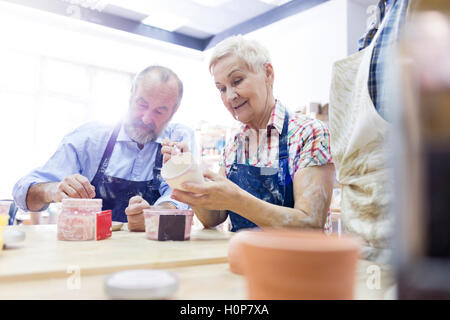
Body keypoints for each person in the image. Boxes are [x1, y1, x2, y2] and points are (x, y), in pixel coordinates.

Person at [162, 35, 335, 232]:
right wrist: (188, 175)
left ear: (268, 74)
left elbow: (309, 224)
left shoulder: (308, 134)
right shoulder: (235, 145)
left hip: (296, 261)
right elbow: (214, 217)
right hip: (245, 258)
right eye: (221, 89)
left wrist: (237, 199)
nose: (230, 96)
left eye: (237, 81)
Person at [12, 65, 196, 231]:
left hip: (154, 251)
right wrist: (53, 190)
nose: (147, 118)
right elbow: (22, 194)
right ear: (131, 93)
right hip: (88, 249)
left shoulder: (179, 139)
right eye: (142, 105)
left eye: (160, 111)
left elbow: (180, 197)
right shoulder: (89, 137)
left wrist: (154, 215)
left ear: (174, 110)